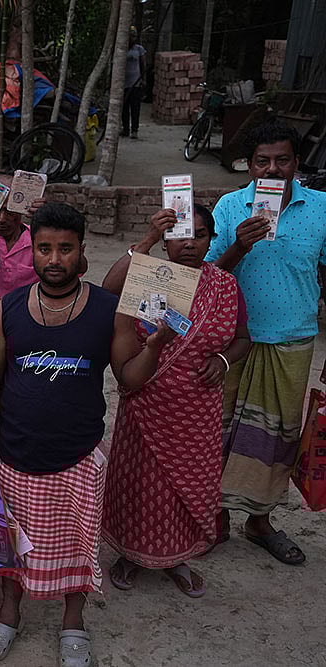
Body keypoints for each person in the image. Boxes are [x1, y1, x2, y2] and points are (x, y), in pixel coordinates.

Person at [0, 202, 133, 665]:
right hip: (16, 452)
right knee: (12, 541)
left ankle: (73, 623)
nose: (54, 259)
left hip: (78, 453)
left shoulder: (107, 310)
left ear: (81, 252)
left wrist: (154, 341)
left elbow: (131, 379)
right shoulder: (8, 309)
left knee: (80, 540)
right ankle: (9, 613)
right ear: (31, 251)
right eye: (44, 249)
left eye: (65, 249)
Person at [100, 206, 251, 597]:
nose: (190, 243)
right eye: (181, 234)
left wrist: (222, 359)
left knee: (185, 490)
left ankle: (178, 557)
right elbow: (105, 289)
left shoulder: (225, 286)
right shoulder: (148, 276)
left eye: (200, 235)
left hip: (197, 410)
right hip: (146, 403)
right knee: (140, 486)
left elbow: (242, 338)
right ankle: (131, 555)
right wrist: (147, 239)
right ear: (167, 239)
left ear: (211, 240)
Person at [205, 120, 326, 565]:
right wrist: (238, 247)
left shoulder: (322, 207)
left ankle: (259, 521)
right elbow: (206, 275)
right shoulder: (230, 206)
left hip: (292, 338)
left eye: (282, 160)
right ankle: (212, 515)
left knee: (275, 436)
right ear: (249, 164)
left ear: (297, 163)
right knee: (216, 430)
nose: (272, 170)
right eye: (262, 161)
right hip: (231, 337)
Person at [122, 26, 147, 139]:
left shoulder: (139, 49)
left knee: (135, 107)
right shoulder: (122, 49)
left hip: (135, 83)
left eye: (133, 36)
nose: (132, 39)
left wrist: (143, 79)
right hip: (123, 84)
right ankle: (125, 129)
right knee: (124, 108)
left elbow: (143, 65)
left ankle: (134, 130)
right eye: (130, 36)